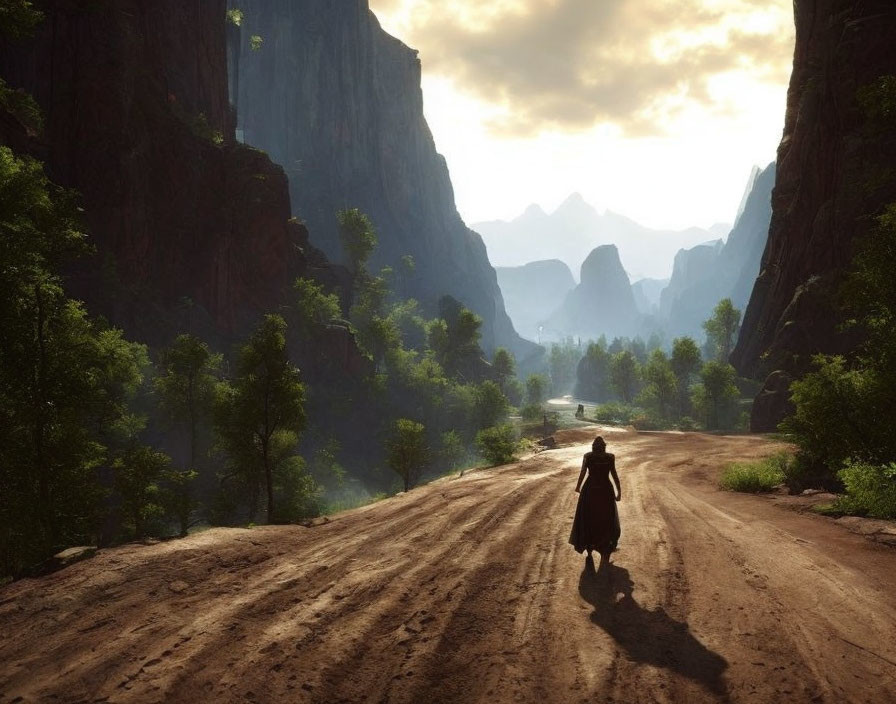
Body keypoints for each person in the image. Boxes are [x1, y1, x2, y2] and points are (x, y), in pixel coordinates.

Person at [569, 436, 621, 563]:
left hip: (590, 489)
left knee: (588, 518)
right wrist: (619, 491)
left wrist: (578, 486)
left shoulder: (588, 456)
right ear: (604, 447)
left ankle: (589, 549)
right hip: (605, 490)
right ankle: (605, 547)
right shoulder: (610, 457)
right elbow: (614, 474)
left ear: (593, 447)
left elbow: (582, 472)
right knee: (606, 518)